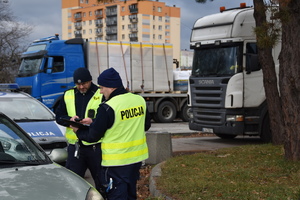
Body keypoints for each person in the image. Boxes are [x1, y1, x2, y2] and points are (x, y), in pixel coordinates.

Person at [72, 67, 151, 200]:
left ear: (111, 87)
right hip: (135, 160)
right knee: (130, 195)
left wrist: (78, 131)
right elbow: (146, 125)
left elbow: (92, 136)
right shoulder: (139, 100)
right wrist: (94, 121)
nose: (101, 91)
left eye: (102, 87)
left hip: (115, 164)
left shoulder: (108, 107)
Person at [55, 67, 103, 191]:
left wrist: (93, 121)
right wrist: (70, 120)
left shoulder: (100, 93)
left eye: (84, 83)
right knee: (73, 185)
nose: (81, 87)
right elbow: (59, 117)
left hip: (95, 147)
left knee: (102, 183)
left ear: (90, 81)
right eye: (78, 84)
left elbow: (107, 118)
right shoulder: (68, 94)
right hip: (75, 147)